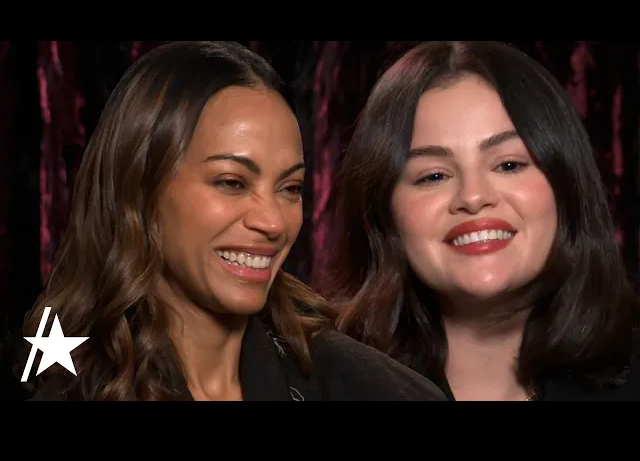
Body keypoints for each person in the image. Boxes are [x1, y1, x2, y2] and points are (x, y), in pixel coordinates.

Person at [22, 41, 445, 402]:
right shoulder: (57, 382)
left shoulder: (372, 388)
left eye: (290, 188)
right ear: (141, 189)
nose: (273, 222)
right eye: (232, 182)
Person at [325, 40, 640, 401]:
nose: (473, 197)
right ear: (384, 211)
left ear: (565, 186)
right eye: (434, 176)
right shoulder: (320, 383)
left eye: (508, 165)